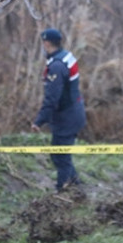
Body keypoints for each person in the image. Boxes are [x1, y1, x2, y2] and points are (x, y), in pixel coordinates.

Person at [31, 28, 87, 191]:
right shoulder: (66, 56)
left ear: (47, 43)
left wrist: (39, 121)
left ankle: (62, 192)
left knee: (60, 156)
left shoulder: (56, 66)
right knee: (62, 155)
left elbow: (52, 98)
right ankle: (75, 185)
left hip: (67, 117)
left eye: (43, 42)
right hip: (74, 112)